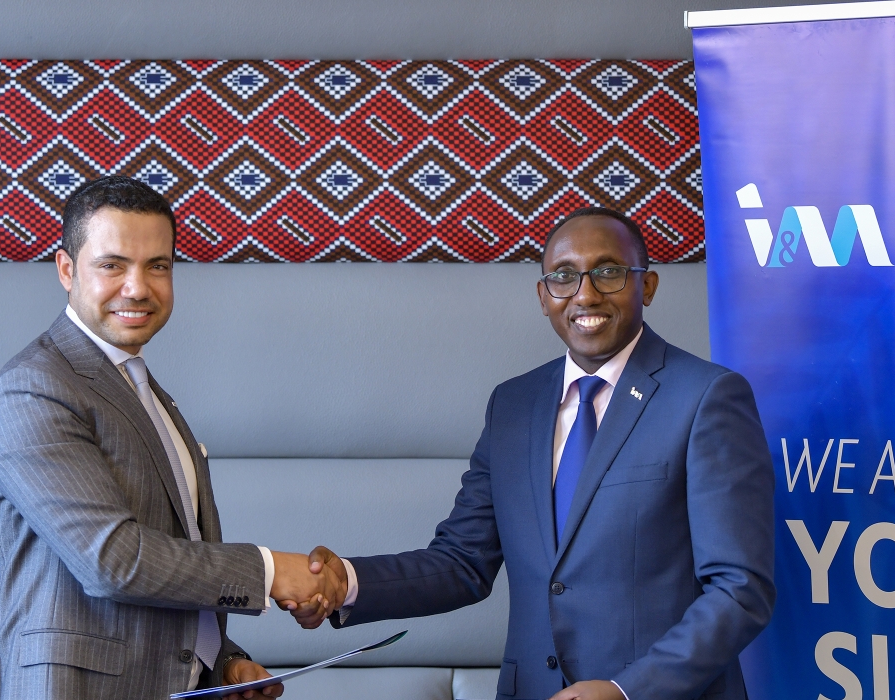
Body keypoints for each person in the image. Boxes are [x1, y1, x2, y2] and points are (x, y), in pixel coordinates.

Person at [296, 208, 777, 700]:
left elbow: (740, 589)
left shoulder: (707, 397)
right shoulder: (513, 405)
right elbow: (463, 561)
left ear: (647, 286)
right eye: (564, 277)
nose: (585, 294)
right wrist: (346, 581)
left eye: (609, 272)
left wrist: (627, 690)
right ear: (544, 296)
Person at [0, 176, 342, 700]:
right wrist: (271, 570)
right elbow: (112, 560)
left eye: (158, 266)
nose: (138, 287)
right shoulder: (34, 389)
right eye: (112, 264)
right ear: (66, 269)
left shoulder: (142, 389)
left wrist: (220, 661)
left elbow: (176, 553)